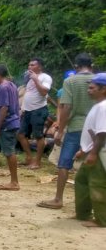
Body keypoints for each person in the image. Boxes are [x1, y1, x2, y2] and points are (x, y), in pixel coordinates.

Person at [38, 53, 95, 209]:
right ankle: (91, 202)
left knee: (64, 163)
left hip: (75, 127)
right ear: (91, 66)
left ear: (76, 67)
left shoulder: (70, 81)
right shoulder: (98, 81)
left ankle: (58, 199)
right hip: (96, 129)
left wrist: (60, 129)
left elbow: (66, 108)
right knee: (93, 164)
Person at [74, 73, 106, 227]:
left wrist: (93, 154)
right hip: (92, 150)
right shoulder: (97, 106)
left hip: (99, 152)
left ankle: (101, 219)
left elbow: (101, 134)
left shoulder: (104, 107)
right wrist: (83, 150)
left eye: (92, 88)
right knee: (81, 181)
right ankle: (83, 213)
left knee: (97, 184)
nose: (89, 90)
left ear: (103, 89)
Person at [18, 57, 52, 169]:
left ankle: (37, 162)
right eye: (29, 65)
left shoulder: (45, 77)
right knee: (21, 134)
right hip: (27, 110)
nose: (30, 67)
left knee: (38, 136)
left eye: (32, 65)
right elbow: (28, 94)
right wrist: (22, 109)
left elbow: (43, 92)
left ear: (40, 66)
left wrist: (36, 79)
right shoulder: (29, 79)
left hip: (38, 110)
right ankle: (29, 158)